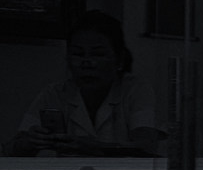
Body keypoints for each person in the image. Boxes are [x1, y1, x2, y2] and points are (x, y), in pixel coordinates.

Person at [10, 12, 165, 156]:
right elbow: (12, 147)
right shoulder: (55, 93)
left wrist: (95, 147)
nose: (87, 63)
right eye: (78, 54)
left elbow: (146, 146)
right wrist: (32, 141)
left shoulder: (135, 89)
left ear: (119, 60)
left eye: (98, 54)